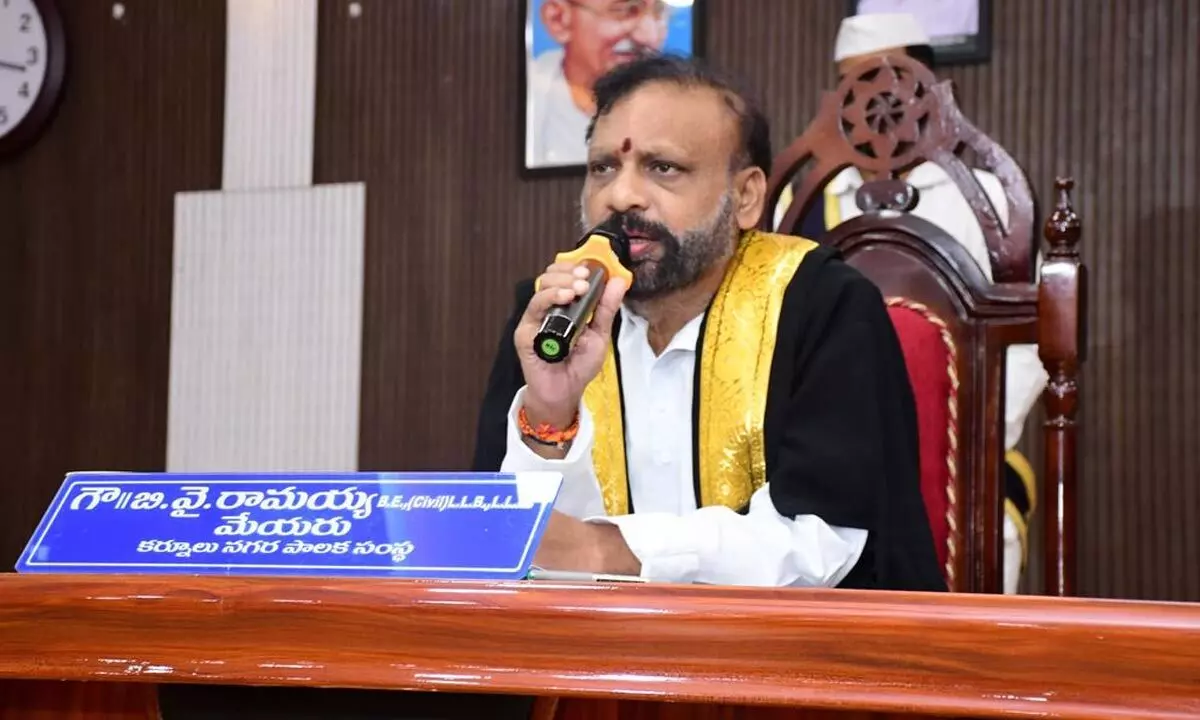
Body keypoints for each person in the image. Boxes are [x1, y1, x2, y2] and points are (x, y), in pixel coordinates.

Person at [475, 54, 944, 591]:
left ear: (745, 196)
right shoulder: (551, 318)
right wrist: (551, 411)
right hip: (599, 660)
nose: (620, 196)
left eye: (663, 168)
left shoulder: (823, 307)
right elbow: (511, 551)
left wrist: (610, 549)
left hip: (791, 661)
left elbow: (823, 543)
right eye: (603, 167)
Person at [775, 13, 1046, 594]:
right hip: (832, 464)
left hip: (969, 461)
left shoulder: (990, 199)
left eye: (890, 80)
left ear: (928, 85)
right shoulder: (803, 204)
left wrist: (968, 430)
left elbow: (1031, 342)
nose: (877, 102)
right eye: (857, 83)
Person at [526, 0, 670, 168]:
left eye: (660, 13)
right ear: (558, 19)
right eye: (626, 10)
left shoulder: (678, 103)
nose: (649, 36)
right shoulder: (523, 97)